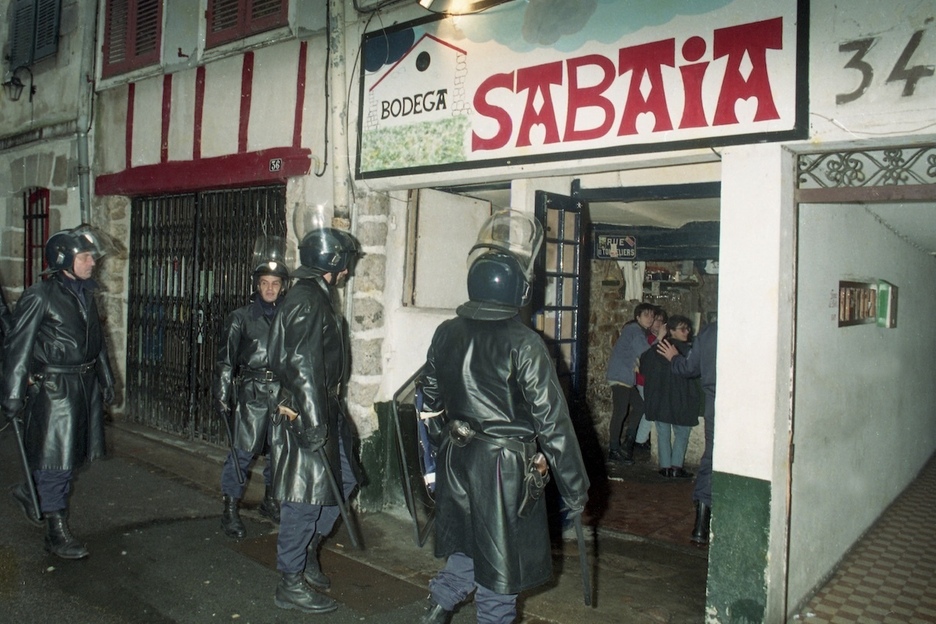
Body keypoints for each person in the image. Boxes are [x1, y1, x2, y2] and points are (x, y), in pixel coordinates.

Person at [417, 210, 590, 624]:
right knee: (500, 568)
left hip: (457, 458)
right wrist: (575, 487)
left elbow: (430, 398)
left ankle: (437, 609)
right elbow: (552, 422)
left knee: (467, 547)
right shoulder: (525, 343)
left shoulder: (446, 332)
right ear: (519, 288)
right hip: (503, 469)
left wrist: (449, 438)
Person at [2, 226, 115, 559]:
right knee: (57, 463)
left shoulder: (86, 293)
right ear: (64, 259)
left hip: (84, 387)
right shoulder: (40, 295)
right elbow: (18, 348)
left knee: (71, 455)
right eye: (85, 257)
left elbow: (97, 342)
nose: (92, 262)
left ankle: (31, 490)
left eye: (92, 256)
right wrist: (12, 394)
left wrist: (107, 379)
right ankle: (56, 532)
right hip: (55, 391)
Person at [266, 226, 361, 614]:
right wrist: (314, 422)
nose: (347, 270)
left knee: (345, 480)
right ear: (330, 262)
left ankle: (306, 553)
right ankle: (290, 582)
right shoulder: (307, 299)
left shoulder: (317, 295)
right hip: (308, 411)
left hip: (324, 406)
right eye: (344, 262)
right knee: (303, 498)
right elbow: (302, 365)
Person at [213, 236, 289, 538]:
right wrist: (222, 394)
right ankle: (230, 509)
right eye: (265, 283)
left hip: (280, 393)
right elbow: (225, 361)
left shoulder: (288, 318)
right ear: (257, 285)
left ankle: (271, 501)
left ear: (282, 286)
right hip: (252, 392)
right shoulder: (240, 318)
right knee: (242, 453)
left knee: (278, 452)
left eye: (275, 283)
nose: (270, 289)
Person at [657, 322, 717, 545]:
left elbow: (689, 368)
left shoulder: (710, 332)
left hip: (715, 403)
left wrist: (674, 358)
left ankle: (700, 527)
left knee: (711, 459)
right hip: (749, 404)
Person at [639, 315, 700, 479]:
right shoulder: (687, 351)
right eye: (682, 329)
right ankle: (675, 467)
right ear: (671, 331)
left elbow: (643, 366)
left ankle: (665, 467)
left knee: (663, 434)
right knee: (682, 433)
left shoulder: (656, 349)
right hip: (681, 399)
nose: (686, 332)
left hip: (661, 400)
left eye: (687, 328)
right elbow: (695, 372)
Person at [606, 302, 663, 465]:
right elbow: (646, 352)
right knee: (620, 412)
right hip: (620, 377)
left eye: (652, 315)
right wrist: (660, 337)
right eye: (646, 315)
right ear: (638, 317)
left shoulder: (639, 331)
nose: (650, 318)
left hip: (625, 377)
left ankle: (627, 444)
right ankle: (614, 450)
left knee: (640, 407)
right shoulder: (634, 330)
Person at [634, 306, 668, 453]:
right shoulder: (648, 338)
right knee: (649, 410)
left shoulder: (658, 339)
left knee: (649, 410)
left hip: (652, 380)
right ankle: (640, 440)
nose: (658, 323)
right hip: (644, 380)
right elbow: (647, 356)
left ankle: (642, 439)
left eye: (661, 320)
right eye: (656, 320)